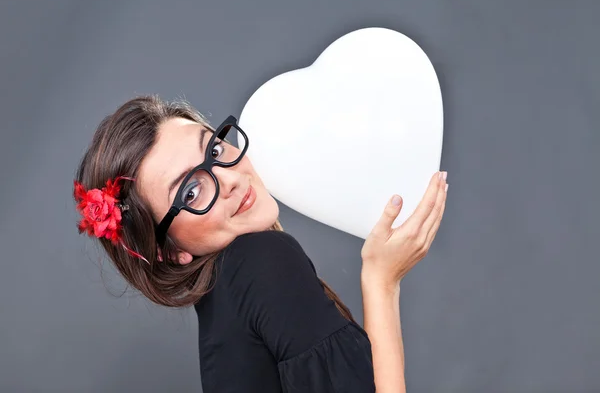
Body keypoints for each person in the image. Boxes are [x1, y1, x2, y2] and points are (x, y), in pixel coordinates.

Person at [73, 95, 448, 392]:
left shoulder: (226, 299)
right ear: (169, 251)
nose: (229, 179)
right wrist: (382, 282)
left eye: (215, 150)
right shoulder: (259, 264)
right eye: (191, 190)